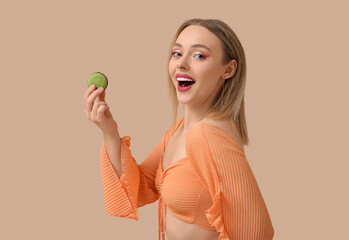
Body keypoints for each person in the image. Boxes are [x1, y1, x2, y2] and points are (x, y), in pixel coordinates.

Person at [84, 18, 274, 240]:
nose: (182, 64)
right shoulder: (179, 129)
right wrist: (109, 130)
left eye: (199, 56)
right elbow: (142, 188)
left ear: (229, 69)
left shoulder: (207, 136)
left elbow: (257, 233)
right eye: (177, 54)